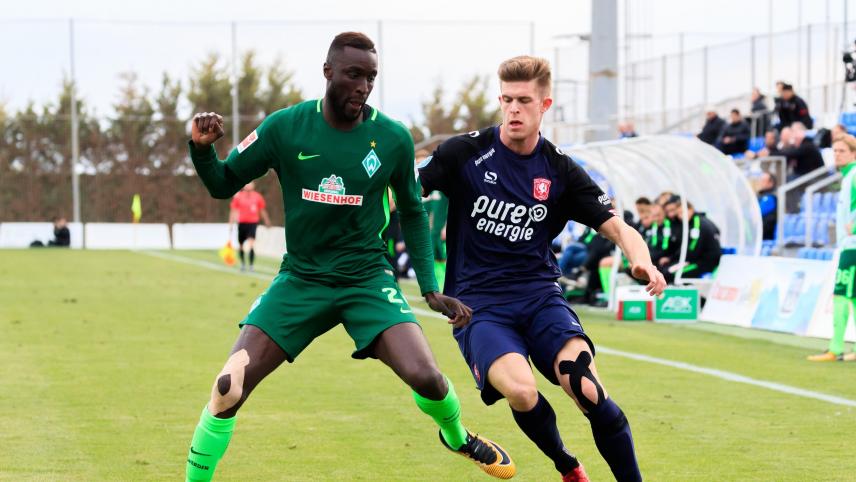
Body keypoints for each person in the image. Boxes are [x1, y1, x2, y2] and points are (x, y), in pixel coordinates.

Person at [184, 32, 515, 482]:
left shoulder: (392, 138)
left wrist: (430, 287)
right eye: (354, 75)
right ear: (328, 73)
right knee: (227, 388)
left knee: (429, 379)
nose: (362, 86)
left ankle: (457, 437)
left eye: (371, 78)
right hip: (301, 280)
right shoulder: (285, 127)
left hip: (367, 279)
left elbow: (415, 211)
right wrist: (202, 150)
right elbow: (223, 183)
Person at [418, 55, 667, 482]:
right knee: (520, 389)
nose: (514, 109)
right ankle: (567, 464)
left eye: (524, 101)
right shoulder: (464, 153)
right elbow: (405, 192)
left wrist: (640, 258)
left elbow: (619, 227)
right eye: (507, 99)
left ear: (544, 105)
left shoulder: (561, 170)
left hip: (539, 297)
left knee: (586, 387)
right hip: (478, 305)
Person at [808, 134, 856, 362]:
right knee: (853, 297)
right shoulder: (847, 177)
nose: (837, 155)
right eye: (835, 151)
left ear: (854, 153)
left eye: (842, 151)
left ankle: (835, 348)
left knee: (841, 295)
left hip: (853, 246)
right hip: (848, 245)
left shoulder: (854, 175)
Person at [660, 197, 721, 282]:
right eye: (678, 214)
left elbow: (693, 249)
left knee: (671, 273)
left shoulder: (697, 224)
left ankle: (677, 294)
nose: (681, 216)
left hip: (705, 262)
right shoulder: (696, 221)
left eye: (682, 212)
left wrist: (678, 261)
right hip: (697, 260)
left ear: (691, 209)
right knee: (666, 269)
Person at [229, 181, 271, 272]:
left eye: (250, 183)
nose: (248, 185)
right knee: (241, 245)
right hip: (242, 223)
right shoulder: (238, 196)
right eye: (247, 183)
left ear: (253, 185)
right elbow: (233, 210)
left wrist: (267, 220)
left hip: (252, 223)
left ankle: (251, 265)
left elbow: (262, 209)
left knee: (251, 244)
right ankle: (243, 264)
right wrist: (231, 223)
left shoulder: (257, 196)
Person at [757, 172, 778, 241]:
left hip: (765, 234)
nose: (760, 182)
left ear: (771, 183)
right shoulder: (760, 196)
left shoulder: (769, 198)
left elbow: (757, 213)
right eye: (760, 180)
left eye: (763, 180)